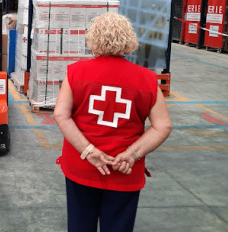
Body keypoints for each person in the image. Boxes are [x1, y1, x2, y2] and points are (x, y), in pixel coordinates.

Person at [53, 12, 172, 232]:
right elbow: (163, 126)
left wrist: (88, 150)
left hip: (83, 168)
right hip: (124, 170)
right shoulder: (147, 79)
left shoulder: (76, 73)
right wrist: (132, 154)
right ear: (129, 40)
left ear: (93, 40)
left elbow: (61, 114)